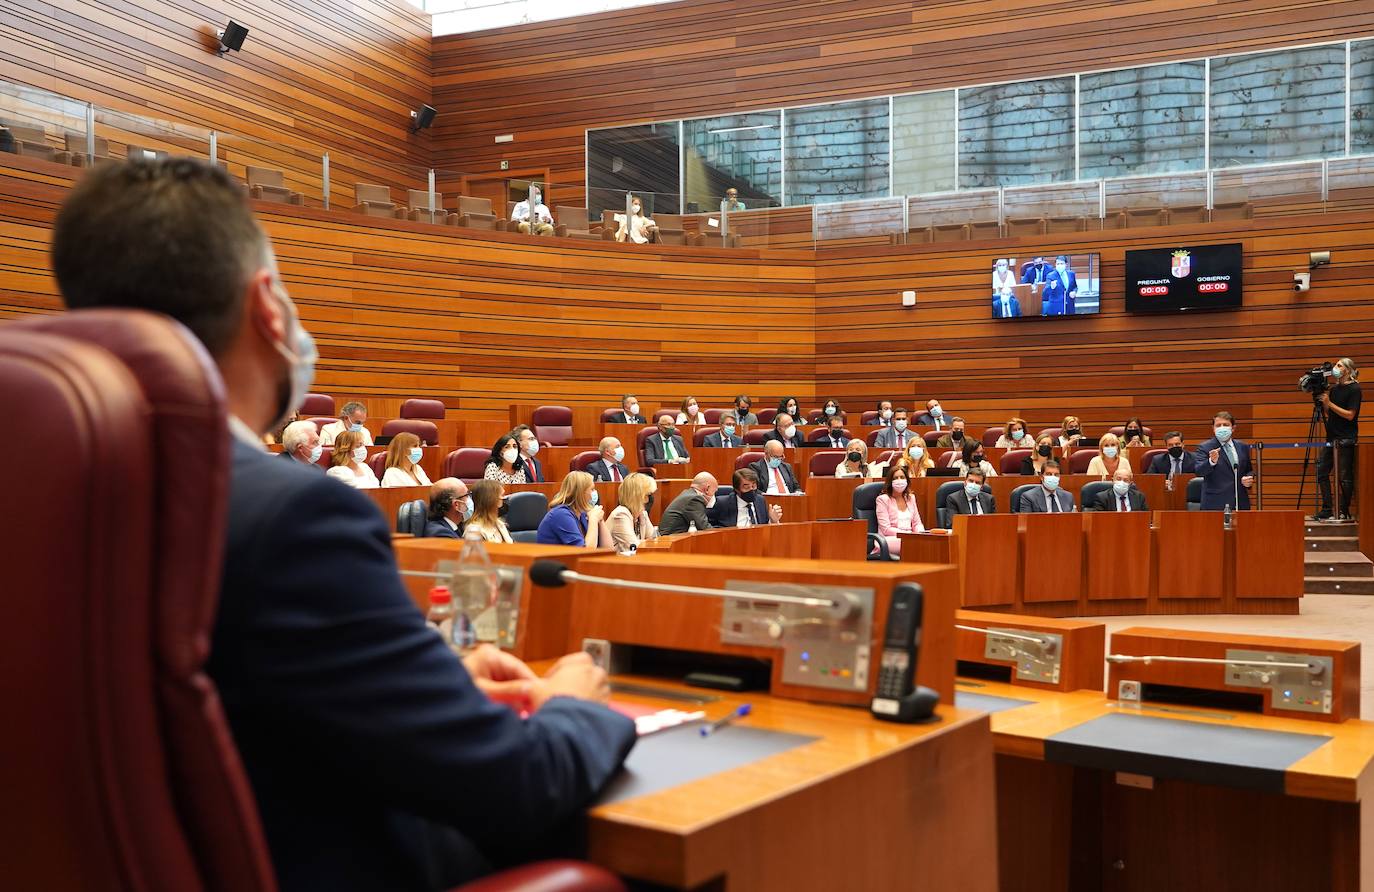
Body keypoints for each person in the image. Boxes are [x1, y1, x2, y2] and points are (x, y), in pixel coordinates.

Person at [51, 158, 633, 890]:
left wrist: (422, 685)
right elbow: (515, 786)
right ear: (268, 305)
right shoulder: (293, 515)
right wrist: (571, 705)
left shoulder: (48, 498)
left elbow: (237, 697)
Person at [1316, 357, 1362, 521]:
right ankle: (1327, 508)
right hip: (1331, 437)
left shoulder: (1355, 389)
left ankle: (1343, 510)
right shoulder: (1334, 390)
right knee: (1321, 471)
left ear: (1348, 370)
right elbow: (1331, 414)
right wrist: (1325, 404)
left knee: (1344, 476)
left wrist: (1330, 403)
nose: (1336, 367)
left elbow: (1350, 415)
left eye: (1339, 365)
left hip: (1346, 438)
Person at [1195, 411, 1254, 511]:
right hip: (1215, 503)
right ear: (1213, 429)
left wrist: (1248, 478)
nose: (1222, 428)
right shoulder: (1205, 447)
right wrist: (1211, 462)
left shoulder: (1242, 446)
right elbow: (1199, 471)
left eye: (1226, 425)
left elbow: (1249, 469)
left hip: (1240, 502)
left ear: (1233, 428)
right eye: (1218, 425)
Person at [535, 471, 607, 547]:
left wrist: (600, 520)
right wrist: (594, 519)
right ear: (581, 493)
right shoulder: (560, 515)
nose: (595, 492)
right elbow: (585, 552)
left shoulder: (582, 513)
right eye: (592, 489)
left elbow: (609, 549)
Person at [875, 465, 924, 557]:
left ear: (907, 480)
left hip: (910, 538)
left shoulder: (910, 498)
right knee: (914, 544)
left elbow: (917, 523)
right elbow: (886, 529)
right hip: (889, 539)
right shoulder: (882, 499)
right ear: (890, 482)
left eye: (902, 477)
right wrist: (907, 534)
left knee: (928, 542)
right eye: (895, 478)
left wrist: (921, 534)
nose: (899, 480)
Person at [708, 468, 782, 528]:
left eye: (753, 486)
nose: (751, 489)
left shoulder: (760, 500)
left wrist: (773, 521)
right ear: (737, 489)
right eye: (746, 487)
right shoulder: (722, 503)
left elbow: (764, 527)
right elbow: (709, 528)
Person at [607, 472, 657, 551]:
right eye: (647, 495)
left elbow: (654, 540)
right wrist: (648, 542)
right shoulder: (621, 514)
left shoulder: (642, 514)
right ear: (636, 495)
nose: (648, 500)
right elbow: (633, 547)